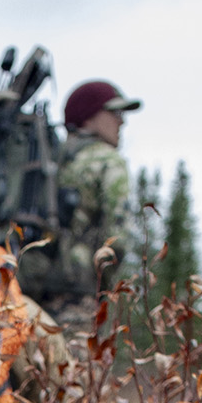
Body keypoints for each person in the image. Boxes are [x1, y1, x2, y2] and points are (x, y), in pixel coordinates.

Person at [52, 77, 142, 326]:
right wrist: (104, 286)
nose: (121, 121)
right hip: (78, 296)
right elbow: (117, 238)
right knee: (73, 366)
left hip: (26, 293)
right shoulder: (108, 161)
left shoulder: (51, 162)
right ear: (89, 116)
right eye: (114, 112)